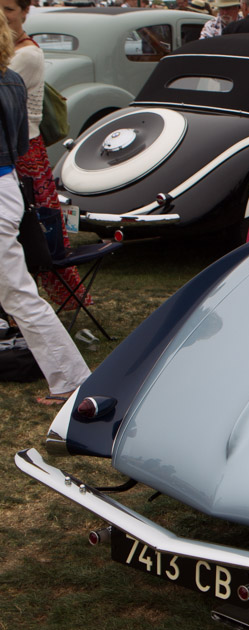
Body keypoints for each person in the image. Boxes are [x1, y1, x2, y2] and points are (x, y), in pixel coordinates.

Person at [0, 14, 90, 405]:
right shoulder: (12, 80)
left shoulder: (13, 78)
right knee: (17, 292)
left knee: (18, 294)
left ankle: (70, 376)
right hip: (7, 185)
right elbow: (20, 145)